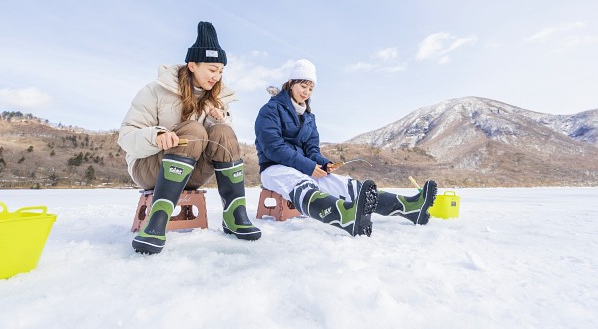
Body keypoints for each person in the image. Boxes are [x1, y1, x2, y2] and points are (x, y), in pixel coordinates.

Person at [118, 21, 261, 254]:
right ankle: (157, 220)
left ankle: (235, 213)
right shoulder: (155, 91)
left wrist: (219, 120)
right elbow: (127, 136)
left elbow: (223, 142)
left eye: (221, 71)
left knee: (224, 131)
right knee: (193, 129)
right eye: (212, 70)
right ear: (192, 65)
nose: (217, 77)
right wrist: (157, 136)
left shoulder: (217, 99)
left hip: (192, 172)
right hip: (150, 167)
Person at [254, 59, 437, 237]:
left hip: (302, 167)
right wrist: (308, 166)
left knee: (343, 184)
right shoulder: (270, 110)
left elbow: (312, 150)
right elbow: (273, 148)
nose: (307, 92)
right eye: (303, 86)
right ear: (291, 83)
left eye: (311, 88)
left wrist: (324, 164)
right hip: (274, 168)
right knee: (302, 184)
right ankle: (345, 217)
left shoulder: (309, 118)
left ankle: (410, 207)